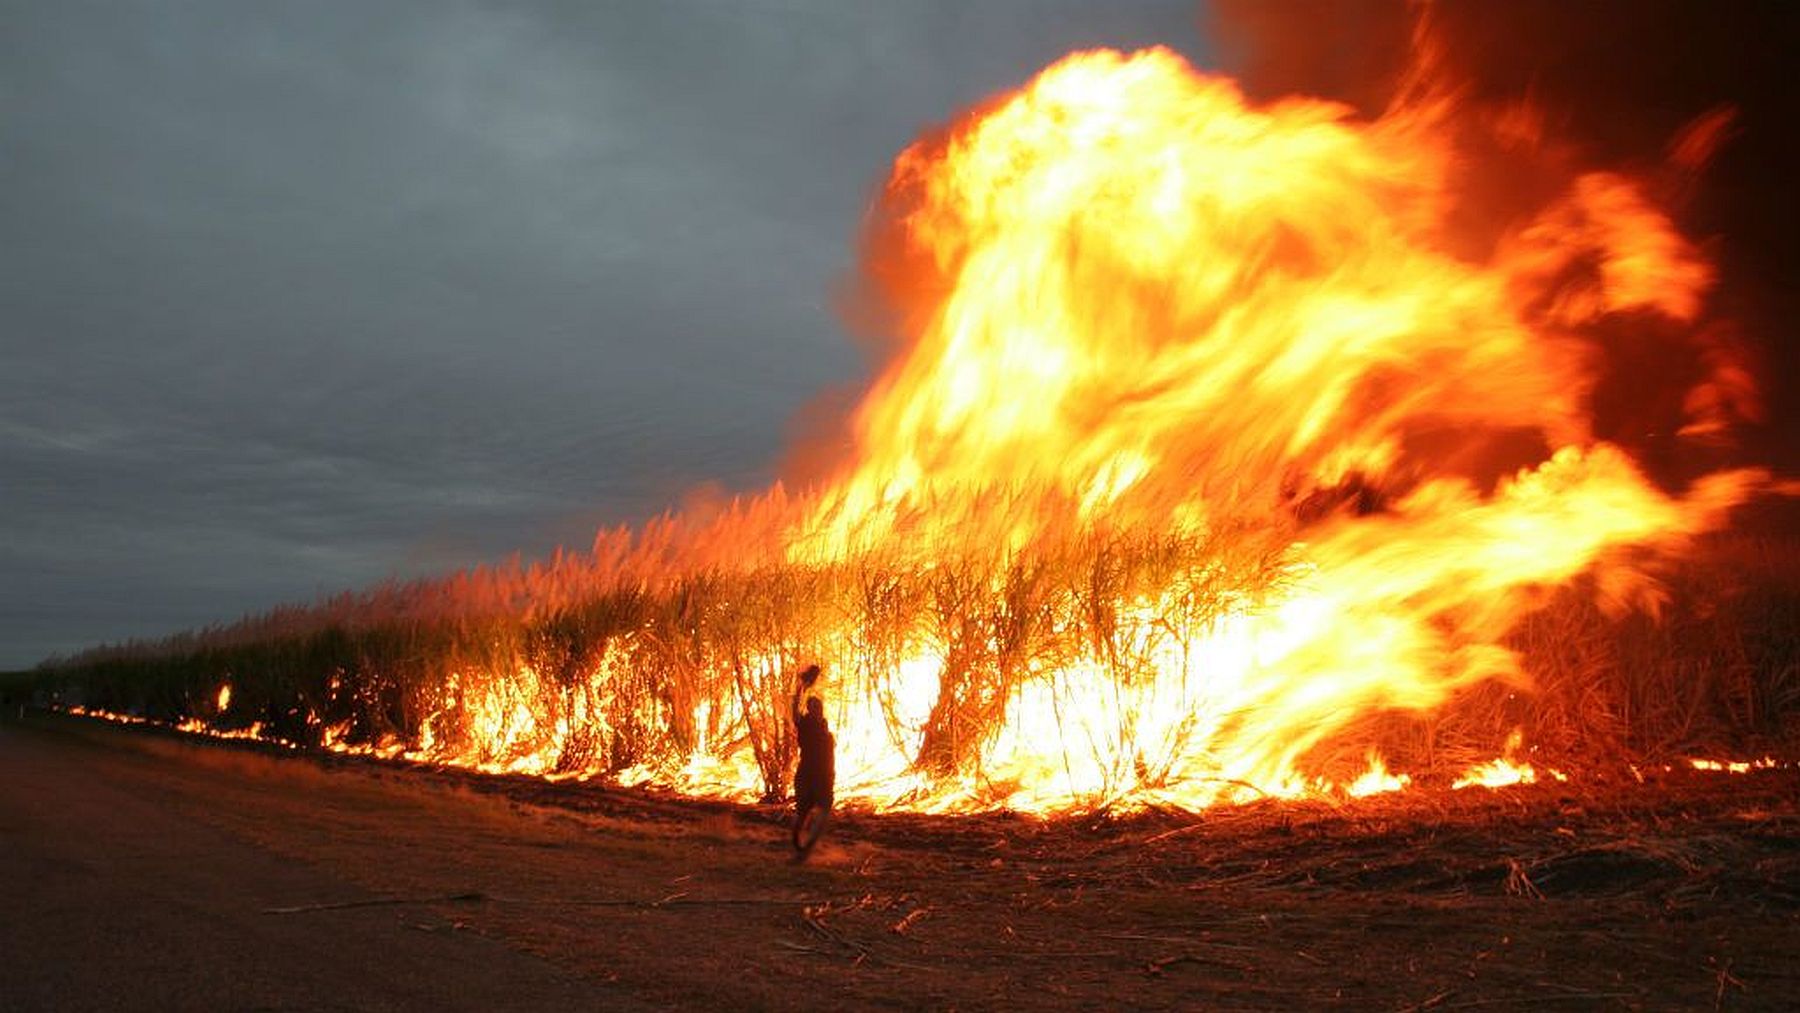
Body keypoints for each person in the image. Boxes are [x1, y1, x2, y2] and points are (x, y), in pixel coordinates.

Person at [790, 664, 835, 856]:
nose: (818, 711)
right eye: (815, 707)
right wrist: (801, 687)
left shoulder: (825, 730)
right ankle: (799, 843)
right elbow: (795, 708)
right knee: (804, 813)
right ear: (810, 710)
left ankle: (807, 846)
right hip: (809, 774)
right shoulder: (806, 726)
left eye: (819, 708)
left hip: (822, 776)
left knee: (823, 812)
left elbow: (831, 757)